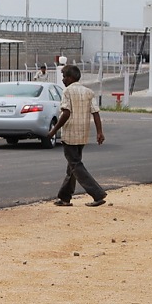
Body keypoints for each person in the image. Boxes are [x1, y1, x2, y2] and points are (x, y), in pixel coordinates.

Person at [47, 65, 107, 207]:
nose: (62, 80)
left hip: (70, 135)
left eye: (64, 77)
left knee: (75, 165)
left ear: (71, 78)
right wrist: (99, 132)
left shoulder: (67, 91)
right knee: (72, 166)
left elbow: (66, 113)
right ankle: (65, 197)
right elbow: (95, 113)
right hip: (83, 134)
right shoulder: (88, 92)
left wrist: (54, 130)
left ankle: (97, 194)